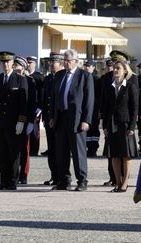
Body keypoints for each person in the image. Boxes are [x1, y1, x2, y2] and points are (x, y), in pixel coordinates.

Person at [49, 49, 94, 191]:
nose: (66, 63)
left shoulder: (84, 76)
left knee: (78, 151)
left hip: (76, 118)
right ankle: (64, 180)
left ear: (76, 61)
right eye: (64, 61)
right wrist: (52, 116)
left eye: (68, 61)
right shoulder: (59, 75)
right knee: (61, 151)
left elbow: (89, 100)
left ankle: (82, 180)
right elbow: (54, 98)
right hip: (60, 117)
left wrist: (86, 120)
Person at [0, 51, 28, 190]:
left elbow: (23, 103)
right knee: (2, 152)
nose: (5, 64)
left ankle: (13, 181)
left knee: (14, 152)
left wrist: (21, 121)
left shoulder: (20, 79)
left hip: (13, 122)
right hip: (0, 122)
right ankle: (3, 180)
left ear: (13, 63)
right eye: (2, 62)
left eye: (7, 62)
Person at [101, 60, 138, 192]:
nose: (115, 71)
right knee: (114, 155)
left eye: (118, 68)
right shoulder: (109, 87)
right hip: (112, 124)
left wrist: (132, 127)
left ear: (125, 71)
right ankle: (117, 182)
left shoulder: (130, 86)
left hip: (125, 124)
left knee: (125, 155)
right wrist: (104, 125)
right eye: (114, 68)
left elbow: (134, 109)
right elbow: (105, 107)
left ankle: (125, 182)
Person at [13, 56, 37, 185]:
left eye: (17, 65)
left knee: (24, 150)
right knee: (14, 149)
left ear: (23, 67)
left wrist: (31, 122)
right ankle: (14, 175)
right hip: (12, 120)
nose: (15, 67)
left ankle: (24, 175)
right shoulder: (12, 79)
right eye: (14, 65)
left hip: (26, 119)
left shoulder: (29, 81)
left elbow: (31, 102)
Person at [42, 51, 64, 185]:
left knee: (60, 149)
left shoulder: (63, 77)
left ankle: (61, 176)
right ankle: (54, 175)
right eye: (50, 62)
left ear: (60, 63)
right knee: (51, 149)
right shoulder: (49, 78)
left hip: (60, 119)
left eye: (53, 62)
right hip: (48, 118)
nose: (51, 64)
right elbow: (46, 99)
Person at [26, 56, 44, 156]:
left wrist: (40, 106)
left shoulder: (38, 76)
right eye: (28, 63)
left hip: (36, 106)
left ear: (35, 64)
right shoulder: (24, 75)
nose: (29, 65)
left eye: (31, 63)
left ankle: (34, 150)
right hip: (27, 106)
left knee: (35, 130)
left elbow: (42, 92)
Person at [84, 59, 101, 157]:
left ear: (93, 67)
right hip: (85, 107)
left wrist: (99, 109)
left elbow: (99, 95)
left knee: (94, 128)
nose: (87, 67)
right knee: (86, 128)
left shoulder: (97, 79)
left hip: (95, 107)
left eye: (89, 66)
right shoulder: (83, 77)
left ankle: (93, 149)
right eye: (86, 66)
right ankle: (88, 147)